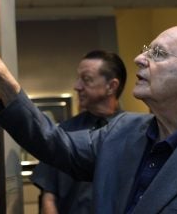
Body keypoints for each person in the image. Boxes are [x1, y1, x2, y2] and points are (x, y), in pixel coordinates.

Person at [0, 24, 177, 213]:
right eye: (146, 50)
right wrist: (5, 82)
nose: (139, 58)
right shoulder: (122, 131)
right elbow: (53, 142)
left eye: (158, 54)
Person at [31, 50, 127, 214]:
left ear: (111, 86)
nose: (77, 86)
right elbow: (48, 195)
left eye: (86, 79)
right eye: (78, 78)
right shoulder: (65, 132)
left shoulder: (133, 132)